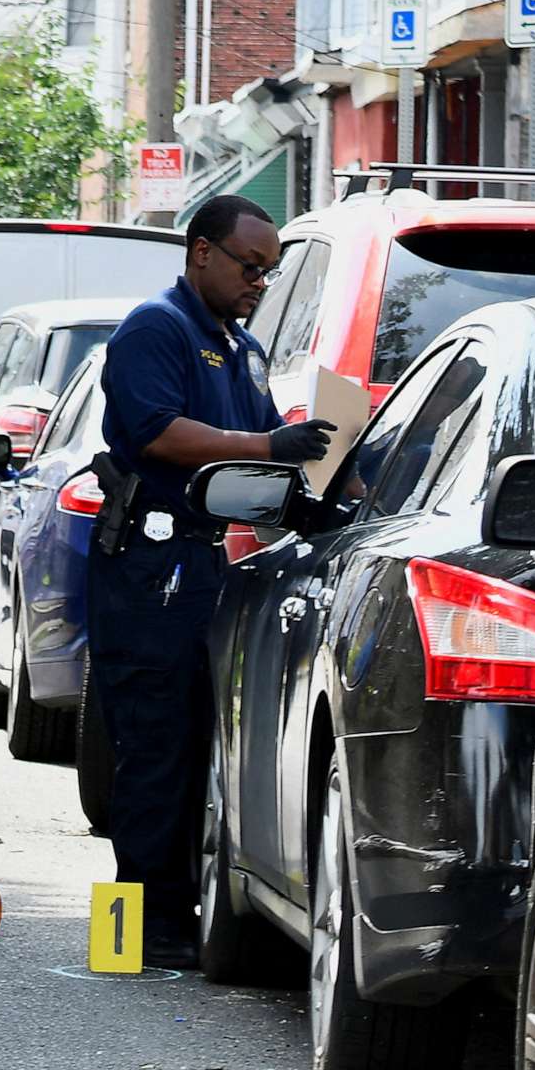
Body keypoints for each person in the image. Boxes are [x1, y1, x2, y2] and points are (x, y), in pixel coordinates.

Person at [88, 194, 334, 968]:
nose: (260, 282)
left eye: (270, 271)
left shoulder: (240, 346)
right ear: (201, 251)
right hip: (147, 565)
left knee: (194, 741)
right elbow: (160, 434)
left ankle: (174, 917)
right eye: (249, 266)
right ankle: (127, 936)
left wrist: (319, 501)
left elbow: (264, 457)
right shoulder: (155, 329)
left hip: (200, 562)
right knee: (150, 748)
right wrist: (270, 442)